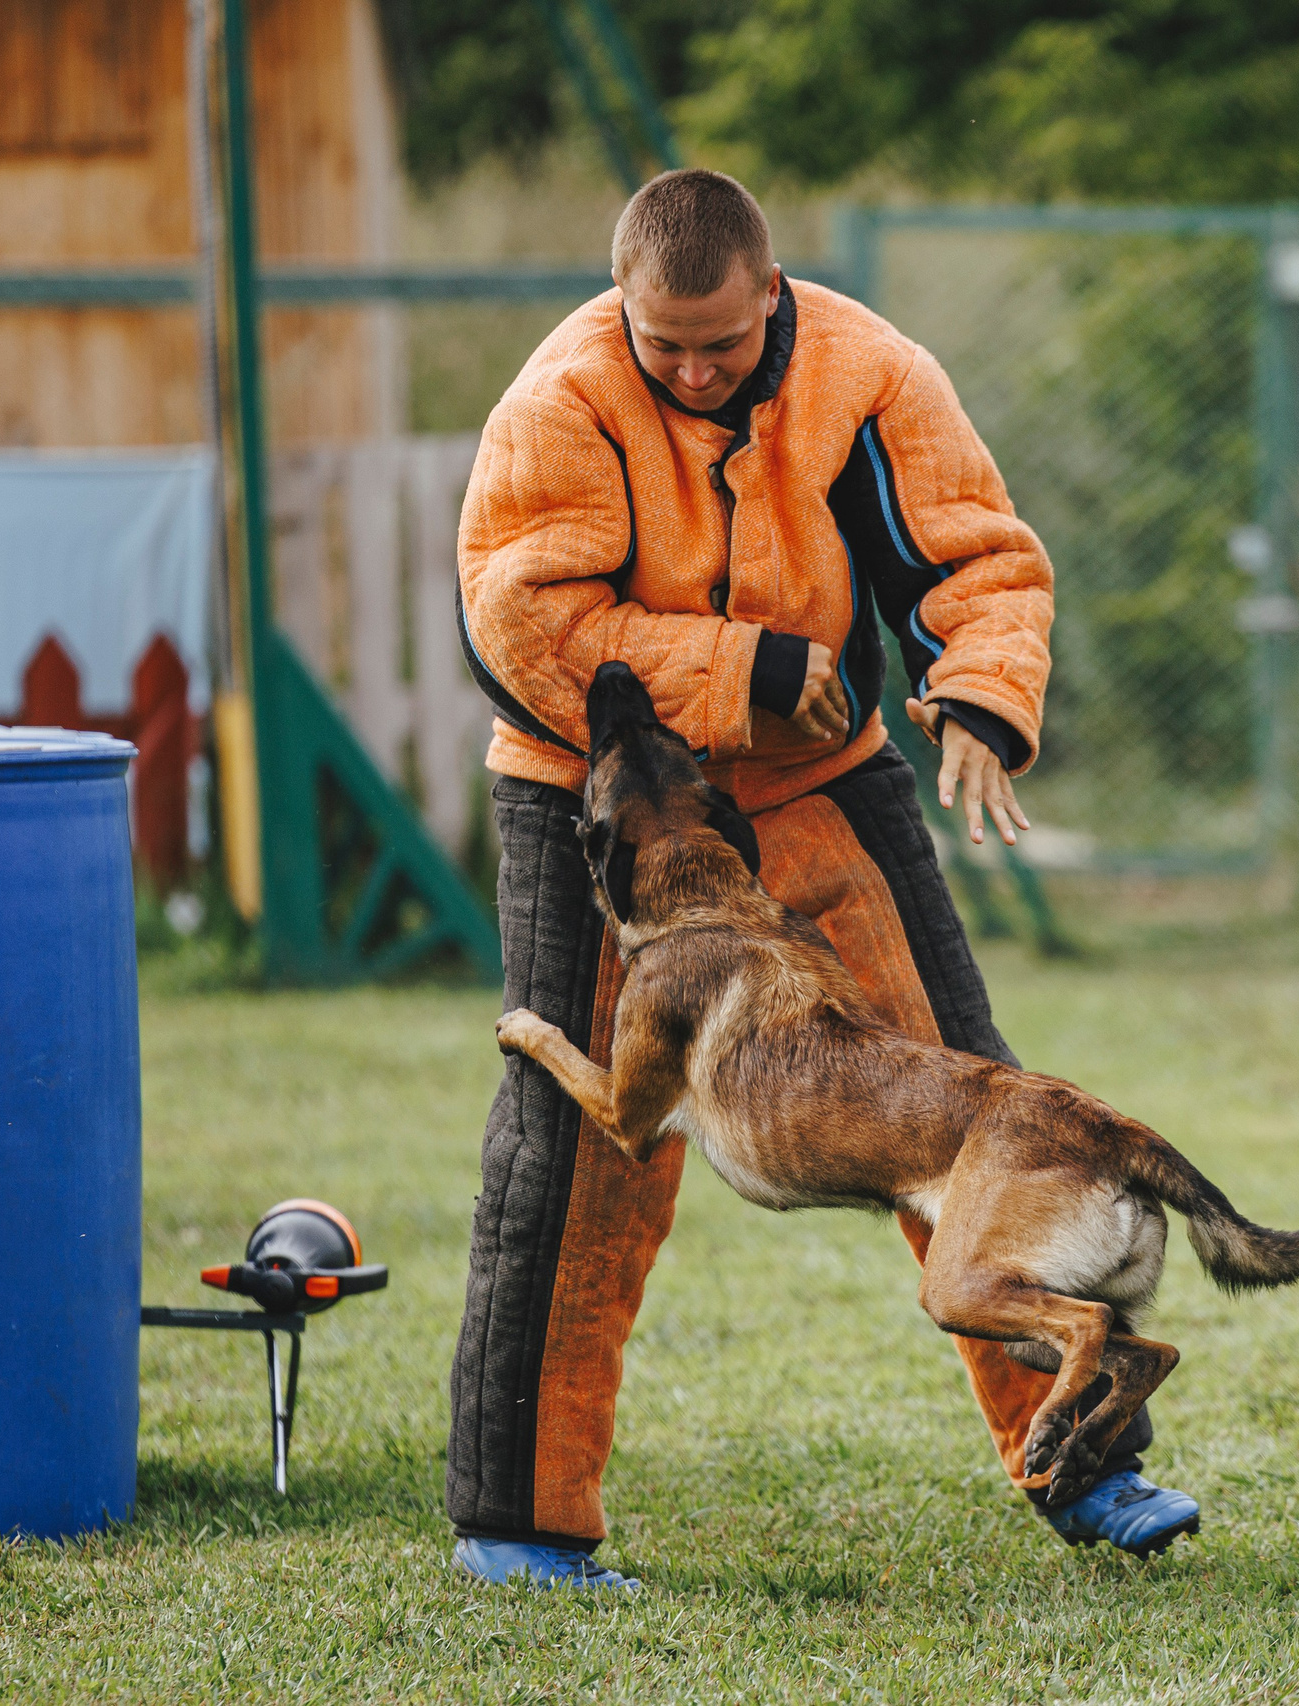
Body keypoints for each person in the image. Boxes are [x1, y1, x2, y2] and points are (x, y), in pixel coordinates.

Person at [447, 168, 1201, 1590]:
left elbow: (975, 550)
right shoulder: (559, 400)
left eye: (719, 344)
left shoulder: (871, 373)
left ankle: (1091, 1466)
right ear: (625, 305)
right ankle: (521, 1522)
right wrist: (749, 668)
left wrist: (980, 687)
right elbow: (528, 624)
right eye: (661, 342)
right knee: (575, 1150)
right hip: (599, 800)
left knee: (977, 1098)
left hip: (815, 778)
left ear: (772, 294)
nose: (690, 367)